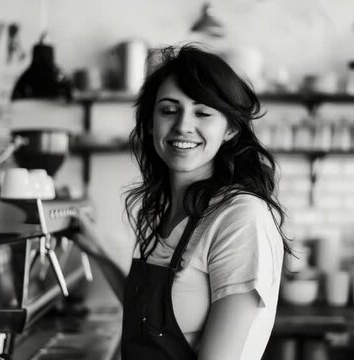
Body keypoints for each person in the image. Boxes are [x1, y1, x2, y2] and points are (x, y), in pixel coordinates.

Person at [71, 44, 290, 360]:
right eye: (169, 110)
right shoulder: (162, 211)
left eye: (202, 112)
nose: (183, 125)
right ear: (150, 123)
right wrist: (98, 251)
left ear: (229, 128)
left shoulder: (239, 218)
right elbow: (151, 316)